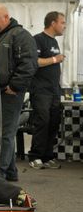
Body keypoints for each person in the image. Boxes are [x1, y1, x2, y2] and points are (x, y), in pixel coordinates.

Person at [0, 4, 38, 181]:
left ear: (6, 17)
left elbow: (29, 64)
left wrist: (15, 87)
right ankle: (10, 172)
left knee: (4, 133)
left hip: (11, 93)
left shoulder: (21, 36)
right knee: (4, 132)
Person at [28, 12, 66, 170]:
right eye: (62, 23)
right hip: (41, 90)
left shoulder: (54, 42)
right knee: (42, 122)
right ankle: (35, 157)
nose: (64, 26)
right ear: (53, 23)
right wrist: (55, 59)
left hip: (54, 90)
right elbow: (34, 62)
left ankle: (47, 156)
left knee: (53, 122)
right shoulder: (38, 39)